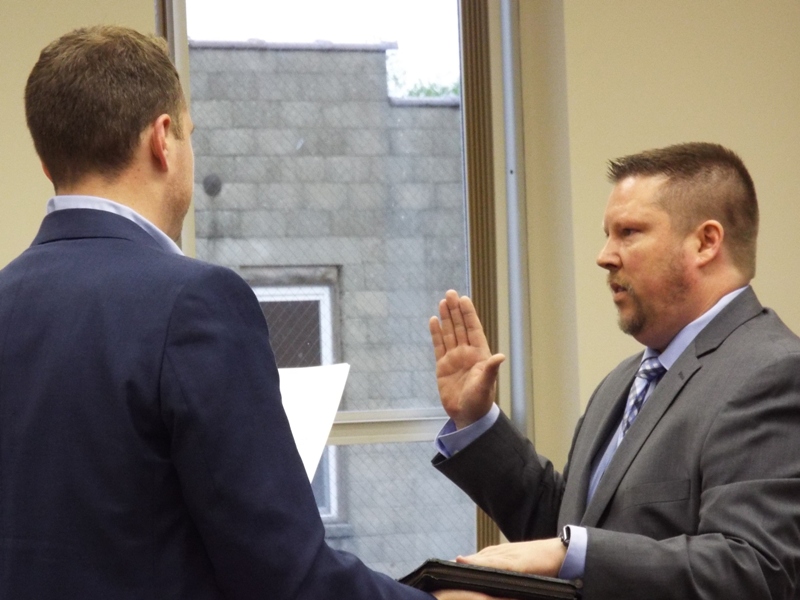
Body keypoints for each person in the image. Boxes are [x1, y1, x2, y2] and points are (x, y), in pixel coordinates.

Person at [0, 25, 500, 600]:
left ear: (48, 163)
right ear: (163, 140)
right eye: (188, 134)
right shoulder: (193, 304)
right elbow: (286, 576)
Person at [429, 142, 800, 599]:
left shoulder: (775, 374)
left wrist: (571, 552)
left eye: (628, 232)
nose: (604, 255)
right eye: (608, 234)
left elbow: (756, 569)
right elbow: (564, 531)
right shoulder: (624, 380)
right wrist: (476, 421)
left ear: (706, 242)